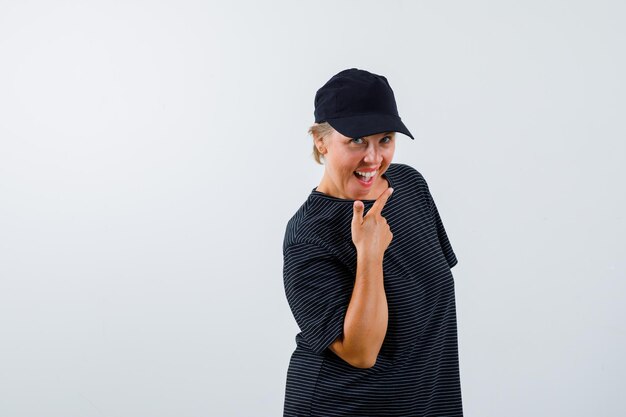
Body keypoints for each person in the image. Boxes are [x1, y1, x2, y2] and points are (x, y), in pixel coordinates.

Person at [282, 68, 463, 416]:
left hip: (424, 402)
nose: (373, 158)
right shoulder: (307, 235)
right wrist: (369, 253)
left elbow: (431, 299)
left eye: (385, 139)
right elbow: (362, 353)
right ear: (321, 141)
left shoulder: (409, 187)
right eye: (356, 141)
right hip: (344, 405)